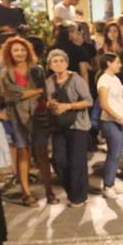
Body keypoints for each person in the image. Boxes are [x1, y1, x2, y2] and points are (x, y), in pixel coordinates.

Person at [0, 36, 53, 205]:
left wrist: (32, 93)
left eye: (22, 50)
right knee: (23, 154)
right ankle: (26, 194)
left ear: (27, 51)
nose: (19, 53)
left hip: (38, 114)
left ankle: (49, 191)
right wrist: (33, 92)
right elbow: (10, 95)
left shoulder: (37, 69)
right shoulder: (5, 73)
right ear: (9, 53)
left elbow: (43, 91)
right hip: (16, 117)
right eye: (15, 50)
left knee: (42, 154)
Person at [45, 48, 92, 207]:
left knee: (77, 162)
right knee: (59, 160)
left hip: (78, 125)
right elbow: (46, 102)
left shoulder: (75, 79)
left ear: (66, 62)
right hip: (58, 126)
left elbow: (88, 101)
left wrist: (68, 106)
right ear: (50, 65)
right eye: (54, 61)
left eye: (61, 60)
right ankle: (73, 190)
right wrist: (50, 104)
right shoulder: (49, 81)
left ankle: (78, 196)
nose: (58, 64)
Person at [96, 52, 123, 200]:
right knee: (113, 153)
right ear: (108, 63)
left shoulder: (115, 79)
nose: (120, 65)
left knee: (118, 154)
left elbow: (121, 103)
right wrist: (119, 118)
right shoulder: (103, 80)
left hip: (122, 121)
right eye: (117, 62)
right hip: (111, 122)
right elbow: (104, 104)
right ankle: (107, 185)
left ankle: (110, 181)